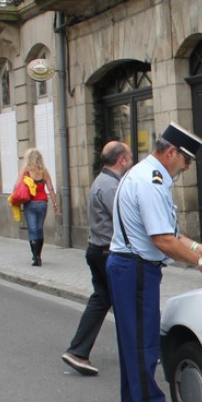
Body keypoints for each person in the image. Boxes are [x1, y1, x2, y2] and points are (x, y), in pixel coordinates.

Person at [107, 123, 202, 402]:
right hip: (136, 270)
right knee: (144, 345)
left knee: (131, 342)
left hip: (128, 267)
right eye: (186, 162)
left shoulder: (147, 174)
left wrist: (197, 246)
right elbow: (162, 240)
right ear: (171, 152)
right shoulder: (152, 180)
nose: (186, 169)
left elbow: (169, 233)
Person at [62, 140, 133, 376]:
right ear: (121, 160)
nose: (131, 160)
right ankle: (143, 349)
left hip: (97, 250)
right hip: (107, 253)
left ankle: (78, 351)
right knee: (130, 301)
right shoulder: (111, 187)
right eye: (130, 156)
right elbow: (125, 220)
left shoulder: (101, 181)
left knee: (101, 300)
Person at [13, 147, 59, 267]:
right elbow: (51, 188)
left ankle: (36, 257)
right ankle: (38, 254)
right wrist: (55, 203)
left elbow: (17, 185)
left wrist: (14, 197)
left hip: (30, 203)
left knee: (32, 229)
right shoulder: (44, 171)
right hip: (43, 203)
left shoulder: (26, 170)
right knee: (39, 229)